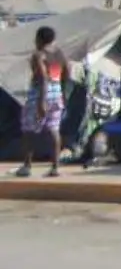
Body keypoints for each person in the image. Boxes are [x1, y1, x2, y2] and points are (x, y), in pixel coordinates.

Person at [16, 27, 67, 178]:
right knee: (53, 129)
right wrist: (62, 93)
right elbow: (66, 74)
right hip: (56, 94)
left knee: (28, 130)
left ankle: (27, 166)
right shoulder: (59, 55)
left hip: (39, 94)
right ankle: (55, 167)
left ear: (39, 39)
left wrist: (41, 101)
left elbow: (43, 78)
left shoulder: (39, 55)